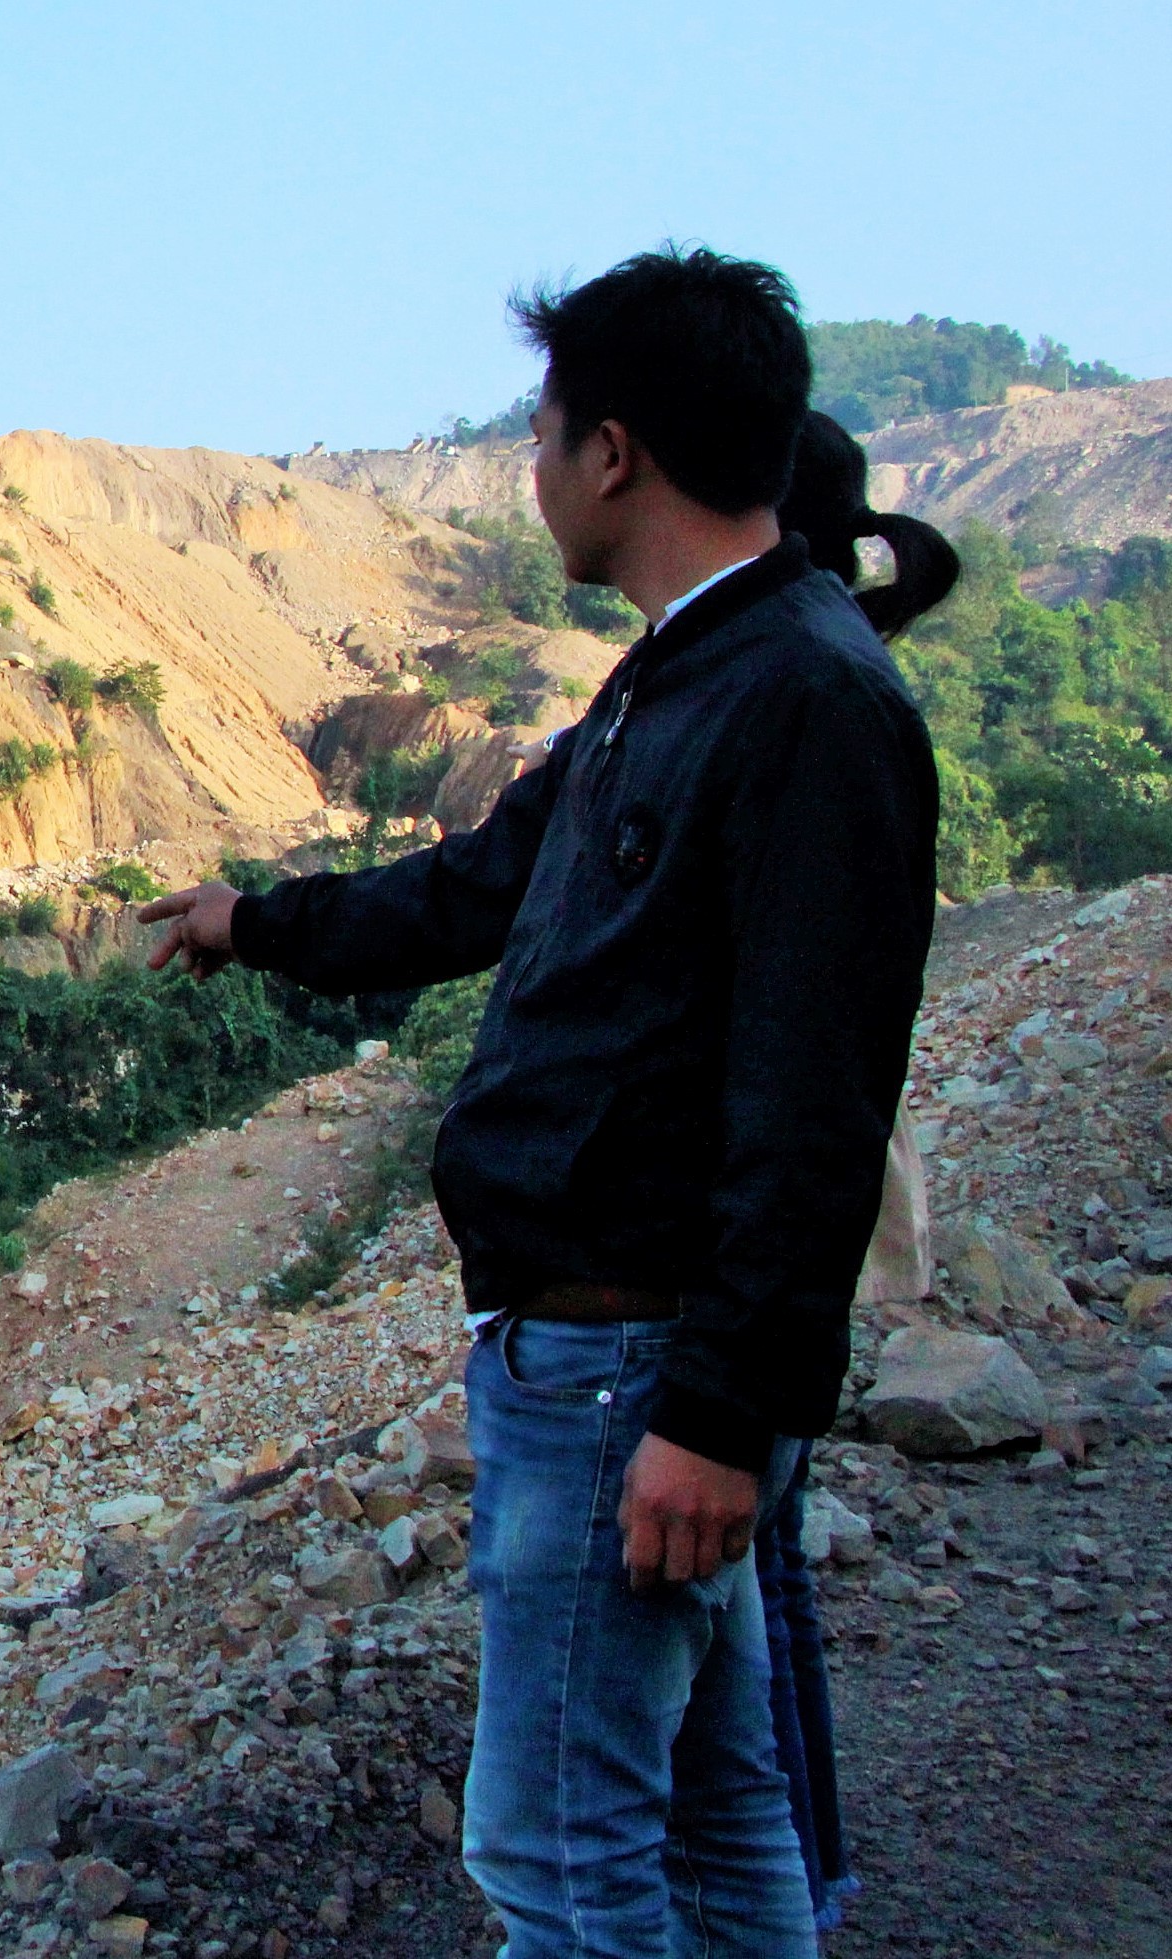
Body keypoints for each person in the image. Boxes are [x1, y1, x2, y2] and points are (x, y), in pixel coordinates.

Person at [140, 250, 940, 1958]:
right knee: (724, 1840)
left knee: (556, 1866)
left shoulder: (803, 700)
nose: (530, 469)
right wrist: (253, 921)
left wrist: (719, 1418)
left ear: (612, 455)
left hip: (628, 1378)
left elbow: (816, 1099)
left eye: (542, 431)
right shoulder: (672, 681)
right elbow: (468, 892)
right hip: (601, 1362)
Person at [752, 407, 960, 1935]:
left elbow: (803, 1042)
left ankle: (796, 1886)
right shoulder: (842, 670)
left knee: (754, 1591)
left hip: (764, 1231)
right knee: (767, 1587)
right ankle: (804, 1874)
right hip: (798, 1224)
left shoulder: (809, 698)